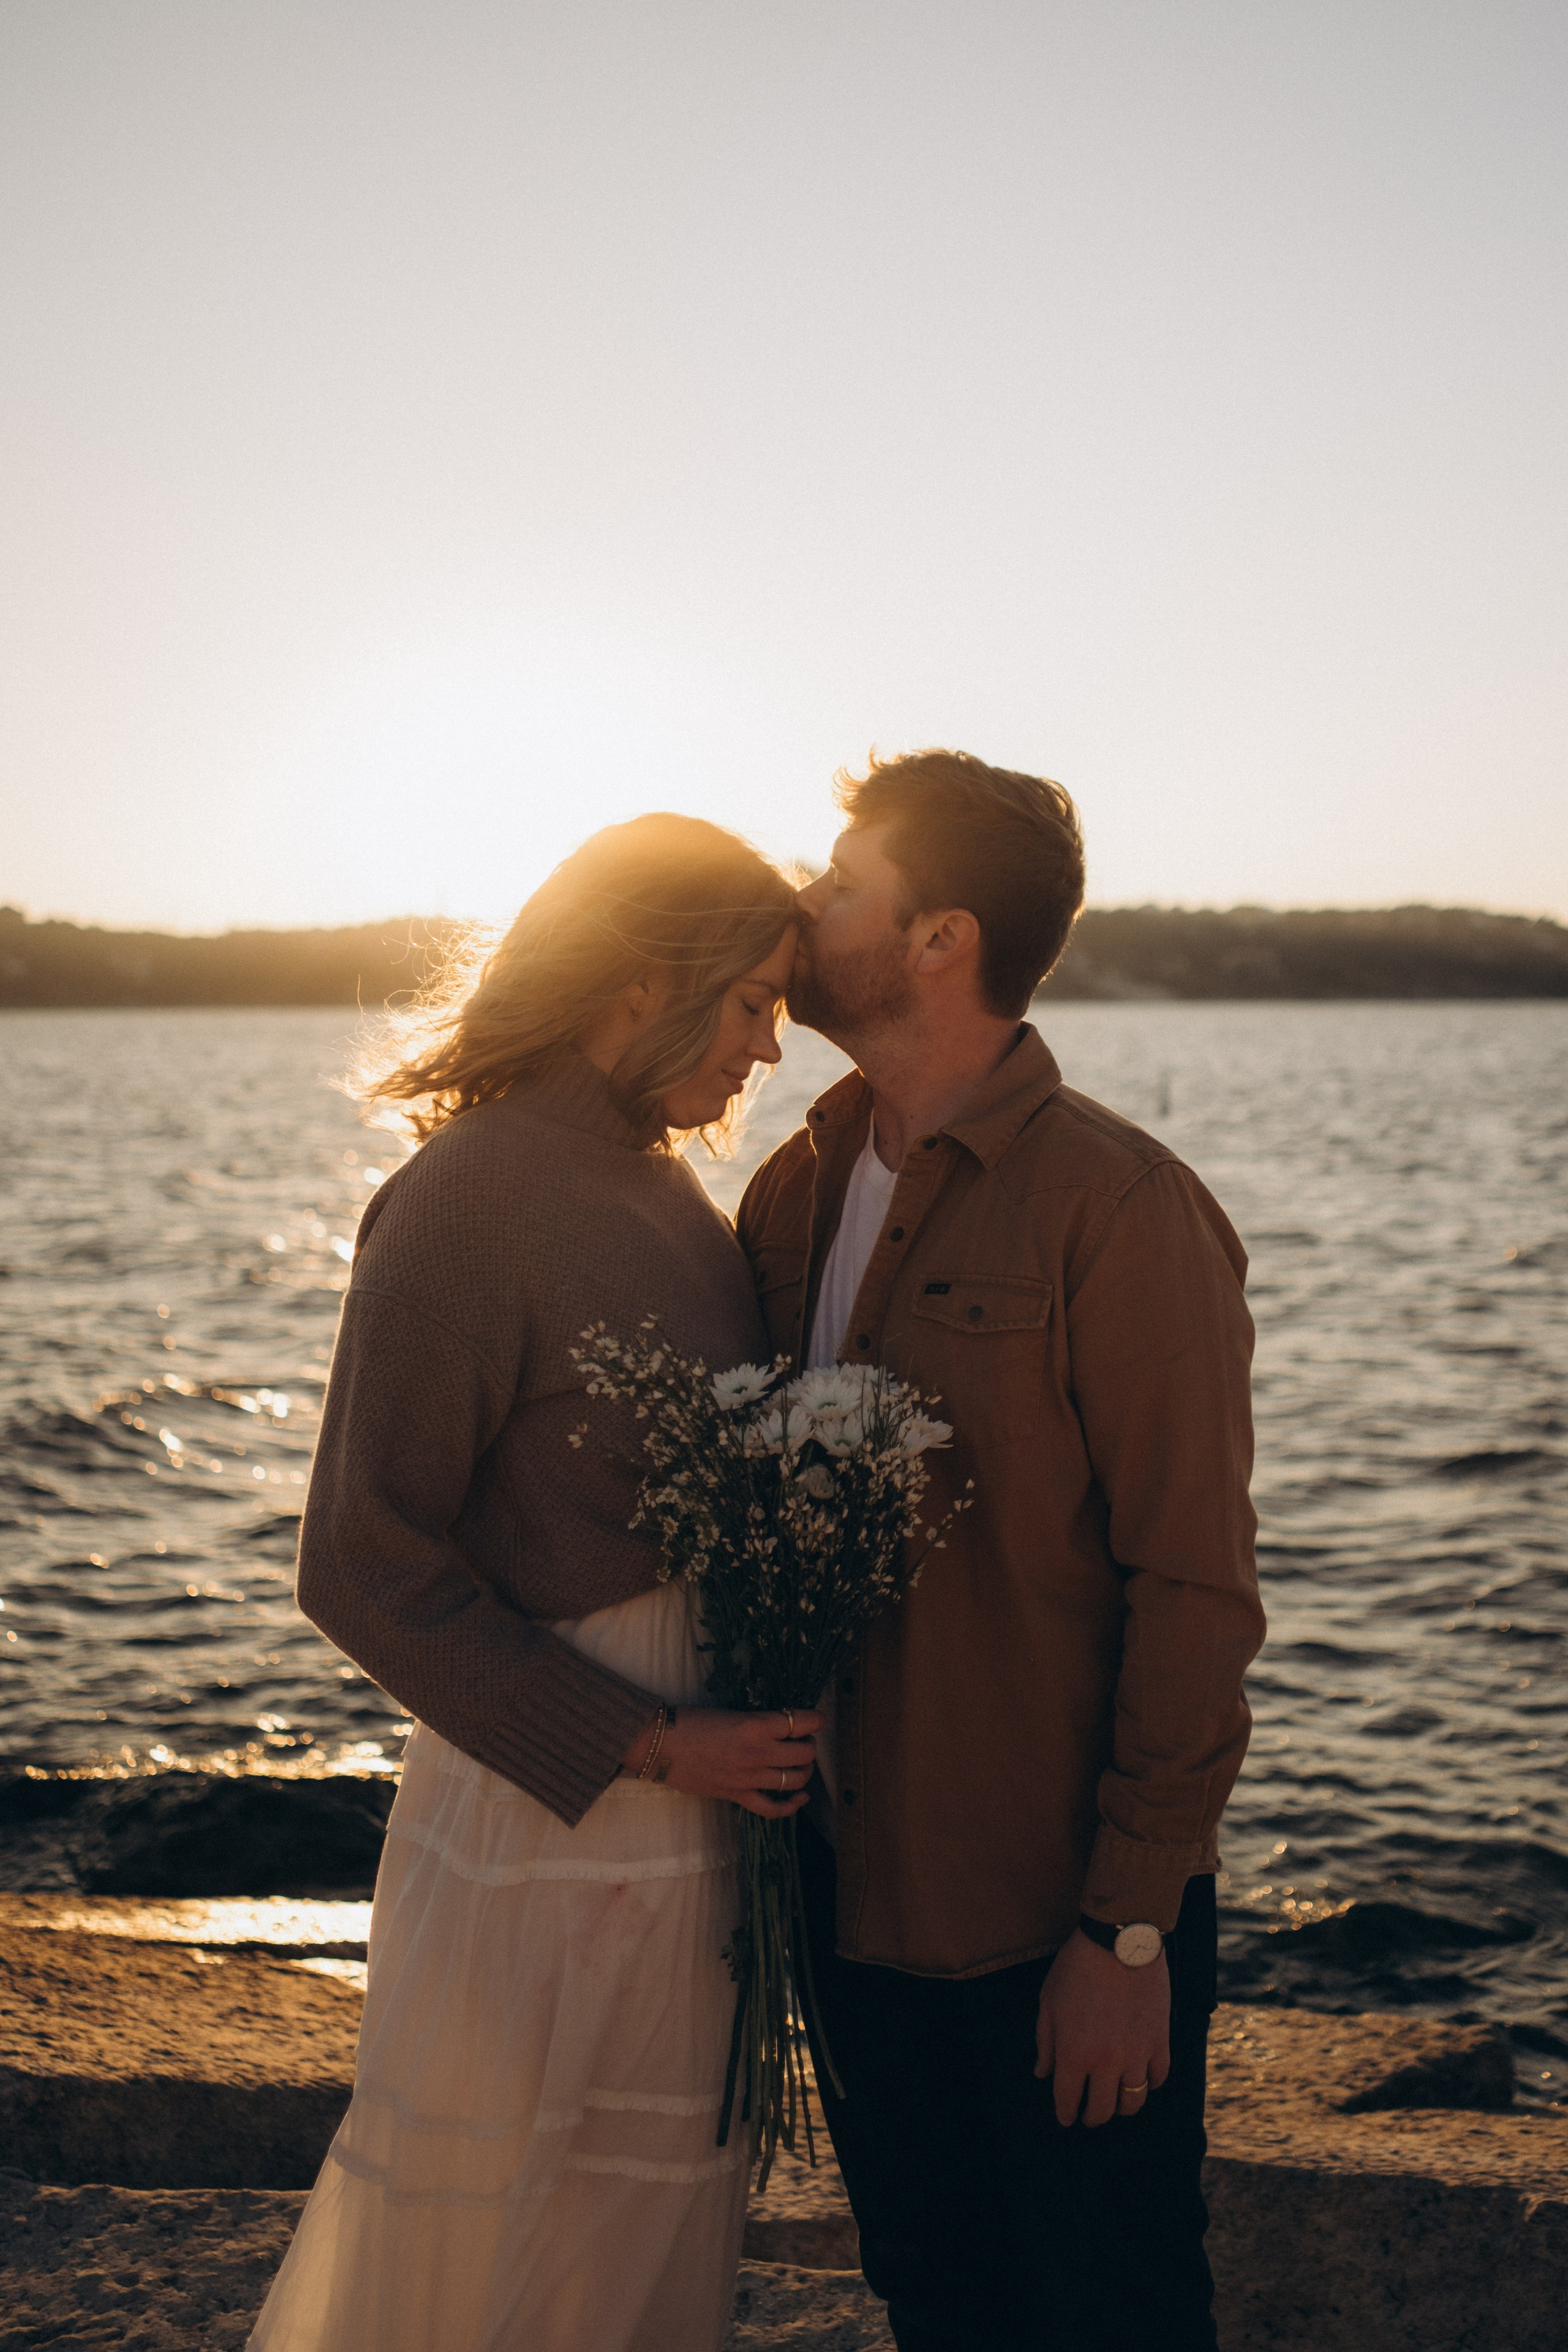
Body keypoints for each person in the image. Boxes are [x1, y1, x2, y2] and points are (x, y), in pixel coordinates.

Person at [249, 813, 821, 2352]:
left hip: (688, 1841)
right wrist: (647, 1744)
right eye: (753, 1000)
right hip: (545, 1827)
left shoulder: (664, 1191)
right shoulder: (465, 1198)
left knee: (639, 2230)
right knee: (497, 2247)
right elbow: (360, 1566)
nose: (774, 1047)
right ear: (638, 984)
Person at [736, 751, 1265, 2352]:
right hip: (852, 1901)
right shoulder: (791, 1192)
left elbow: (1196, 1594)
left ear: (938, 939)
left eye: (839, 883)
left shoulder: (1123, 1208)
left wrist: (1127, 1935)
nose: (801, 903)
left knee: (1110, 2318)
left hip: (1056, 1926)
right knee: (939, 2309)